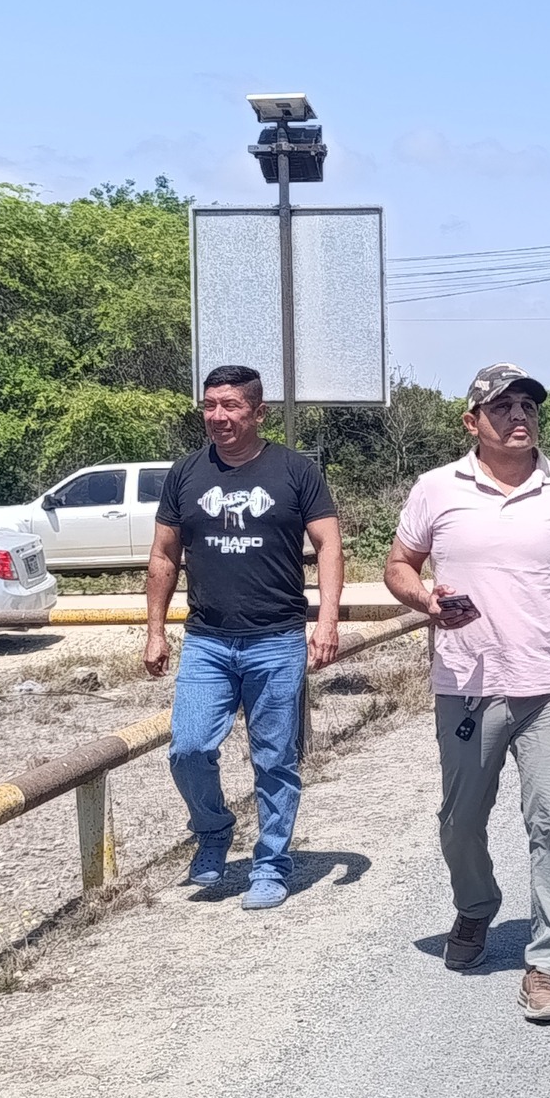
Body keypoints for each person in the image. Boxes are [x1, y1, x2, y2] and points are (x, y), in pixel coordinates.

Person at [384, 363, 550, 1025]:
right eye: (502, 407)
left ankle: (548, 964)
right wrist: (426, 600)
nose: (519, 416)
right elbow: (398, 565)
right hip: (466, 686)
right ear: (473, 422)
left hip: (549, 688)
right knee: (460, 821)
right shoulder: (437, 489)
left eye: (528, 406)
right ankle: (475, 906)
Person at [144, 363, 343, 910]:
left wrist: (326, 622)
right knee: (188, 748)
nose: (218, 416)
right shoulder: (186, 473)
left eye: (230, 405)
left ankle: (271, 865)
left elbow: (329, 545)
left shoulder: (295, 471)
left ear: (258, 412)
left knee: (274, 759)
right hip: (207, 640)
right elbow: (164, 556)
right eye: (210, 405)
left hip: (276, 638)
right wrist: (155, 631)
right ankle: (212, 830)